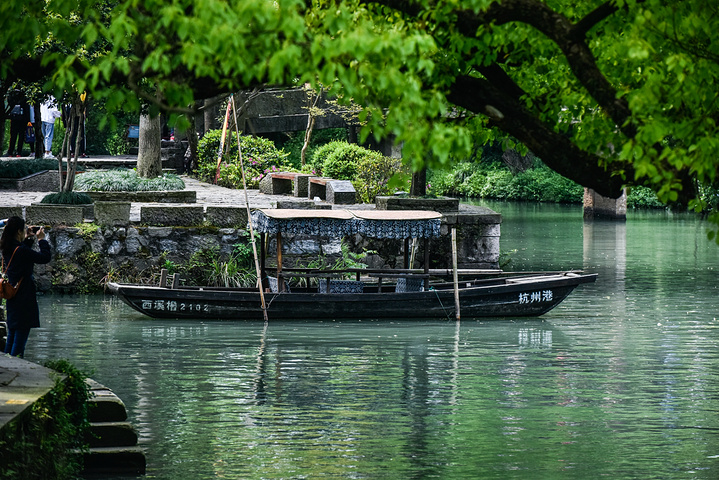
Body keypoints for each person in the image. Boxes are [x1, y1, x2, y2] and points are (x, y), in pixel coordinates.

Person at [1, 216, 51, 357]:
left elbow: (22, 254)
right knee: (21, 335)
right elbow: (44, 258)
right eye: (24, 229)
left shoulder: (8, 247)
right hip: (24, 295)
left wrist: (28, 238)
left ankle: (7, 363)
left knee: (12, 334)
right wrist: (41, 240)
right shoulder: (20, 250)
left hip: (12, 293)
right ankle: (16, 364)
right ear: (18, 231)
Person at [6, 91, 32, 157]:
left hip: (14, 118)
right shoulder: (24, 98)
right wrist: (28, 120)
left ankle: (10, 152)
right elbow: (27, 109)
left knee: (13, 136)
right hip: (22, 119)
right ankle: (18, 152)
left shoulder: (12, 96)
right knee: (21, 136)